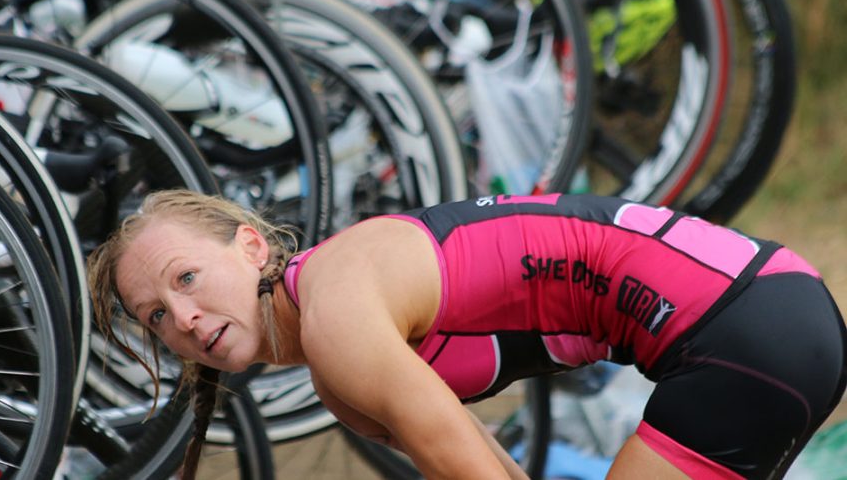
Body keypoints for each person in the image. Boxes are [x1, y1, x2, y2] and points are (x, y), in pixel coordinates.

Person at [89, 190, 847, 479]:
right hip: (767, 314)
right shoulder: (335, 371)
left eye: (185, 279)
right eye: (156, 317)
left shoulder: (338, 311)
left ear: (251, 245)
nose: (182, 318)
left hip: (740, 328)